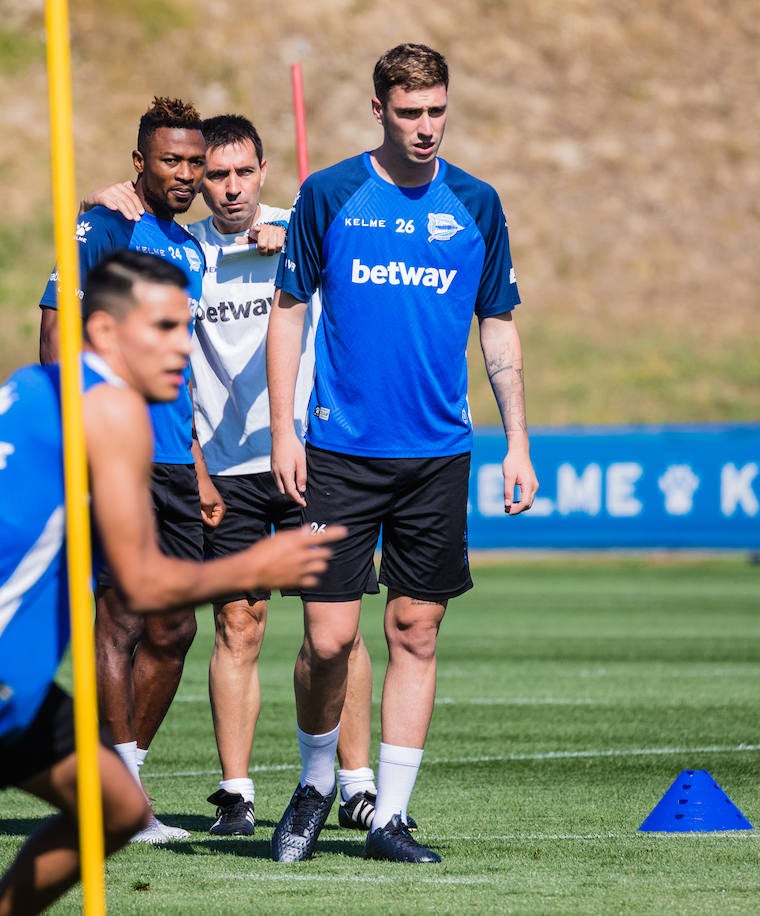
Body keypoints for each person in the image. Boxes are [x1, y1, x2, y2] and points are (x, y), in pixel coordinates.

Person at [0, 250, 343, 915]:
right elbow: (144, 585)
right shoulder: (112, 411)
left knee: (118, 807)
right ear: (102, 332)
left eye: (186, 326)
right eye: (161, 328)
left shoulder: (25, 391)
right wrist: (255, 568)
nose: (183, 346)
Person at [264, 43, 539, 864]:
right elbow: (287, 312)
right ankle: (317, 783)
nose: (426, 129)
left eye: (437, 112)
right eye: (410, 113)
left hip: (437, 455)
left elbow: (499, 323)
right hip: (340, 452)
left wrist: (516, 440)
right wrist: (284, 430)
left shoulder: (477, 204)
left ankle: (390, 815)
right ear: (379, 109)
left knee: (416, 627)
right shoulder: (331, 193)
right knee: (327, 640)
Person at [90, 114, 389, 837]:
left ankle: (356, 784)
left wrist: (301, 244)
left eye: (240, 173)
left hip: (315, 457)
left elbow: (376, 260)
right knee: (238, 623)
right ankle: (236, 792)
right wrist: (107, 198)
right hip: (224, 469)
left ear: (263, 170)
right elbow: (121, 233)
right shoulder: (182, 248)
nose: (226, 188)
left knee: (337, 630)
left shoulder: (304, 228)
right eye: (213, 174)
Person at [38, 97, 210, 843]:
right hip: (114, 449)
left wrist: (199, 463)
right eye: (171, 160)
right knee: (122, 614)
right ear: (139, 161)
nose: (186, 173)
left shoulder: (191, 246)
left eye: (194, 162)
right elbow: (55, 331)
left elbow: (182, 370)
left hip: (174, 457)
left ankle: (120, 784)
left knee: (175, 628)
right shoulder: (99, 227)